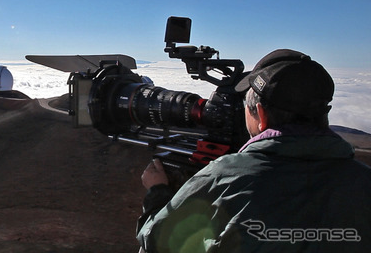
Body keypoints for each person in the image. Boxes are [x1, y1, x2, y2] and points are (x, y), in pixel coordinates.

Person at [136, 49, 371, 252]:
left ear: (262, 115)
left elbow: (157, 238)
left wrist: (157, 192)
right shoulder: (363, 179)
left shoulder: (226, 175)